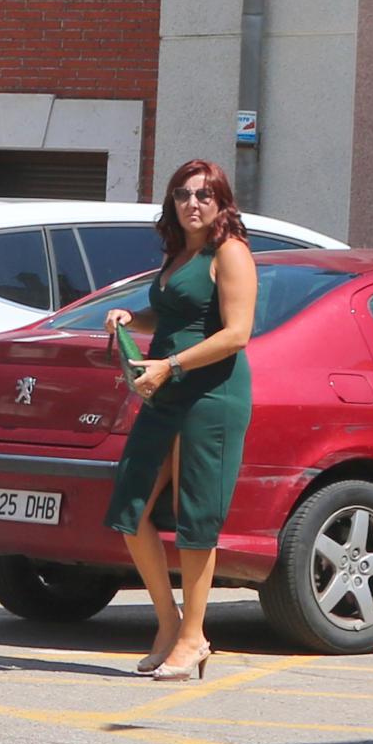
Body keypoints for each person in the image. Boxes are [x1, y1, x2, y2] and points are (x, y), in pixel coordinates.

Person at [106, 159, 263, 682]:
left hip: (210, 395)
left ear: (221, 203)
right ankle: (169, 623)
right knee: (131, 506)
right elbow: (178, 315)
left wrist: (170, 364)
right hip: (164, 392)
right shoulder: (180, 252)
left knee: (196, 518)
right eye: (182, 195)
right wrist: (134, 317)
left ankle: (195, 637)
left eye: (204, 195)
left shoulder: (231, 253)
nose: (192, 204)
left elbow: (236, 333)